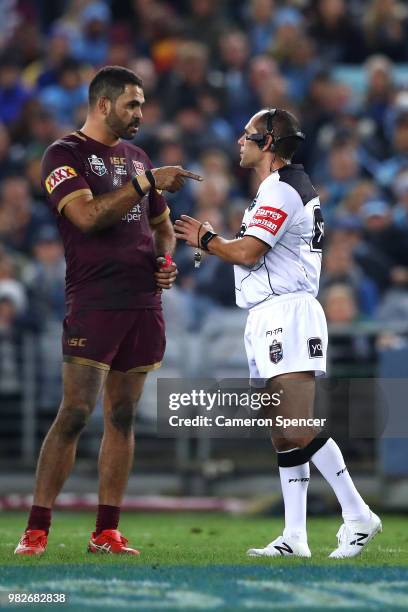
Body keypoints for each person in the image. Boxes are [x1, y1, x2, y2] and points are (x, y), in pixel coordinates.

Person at [175, 108, 381, 559]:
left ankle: (358, 514)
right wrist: (216, 240)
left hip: (288, 312)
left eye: (246, 135)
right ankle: (295, 537)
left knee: (294, 424)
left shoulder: (284, 189)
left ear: (268, 142)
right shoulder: (280, 188)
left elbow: (249, 251)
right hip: (269, 313)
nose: (239, 142)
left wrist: (206, 240)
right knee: (282, 432)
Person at [15, 65, 202, 556]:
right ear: (103, 104)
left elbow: (162, 226)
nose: (140, 113)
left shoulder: (137, 157)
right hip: (94, 299)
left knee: (122, 415)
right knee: (75, 412)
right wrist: (144, 184)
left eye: (141, 104)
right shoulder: (64, 154)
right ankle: (36, 530)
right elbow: (87, 216)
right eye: (132, 104)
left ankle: (107, 530)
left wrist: (165, 260)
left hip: (143, 301)